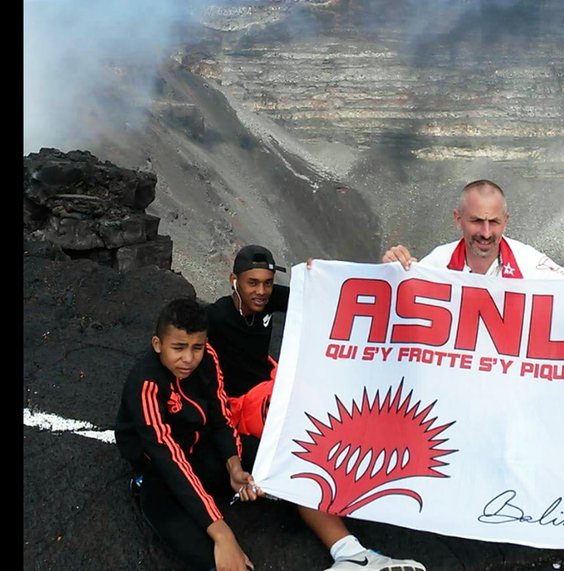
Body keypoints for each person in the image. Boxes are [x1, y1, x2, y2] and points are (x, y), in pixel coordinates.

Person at [206, 244, 426, 571]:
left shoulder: (266, 298)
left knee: (334, 400)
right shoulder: (217, 317)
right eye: (253, 283)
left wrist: (322, 274)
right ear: (233, 281)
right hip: (244, 403)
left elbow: (316, 294)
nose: (262, 291)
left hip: (269, 378)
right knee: (307, 440)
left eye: (267, 282)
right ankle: (348, 552)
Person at [116, 298, 260, 571]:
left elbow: (221, 417)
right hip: (158, 466)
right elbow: (168, 457)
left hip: (197, 446)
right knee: (198, 544)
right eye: (178, 348)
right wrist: (222, 533)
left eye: (197, 347)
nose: (189, 359)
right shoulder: (145, 384)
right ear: (158, 345)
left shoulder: (209, 358)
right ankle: (140, 487)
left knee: (267, 461)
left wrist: (234, 464)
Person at [382, 179, 564, 282]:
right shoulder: (436, 263)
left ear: (506, 222)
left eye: (494, 222)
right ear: (458, 219)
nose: (485, 232)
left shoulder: (528, 262)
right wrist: (391, 271)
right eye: (476, 221)